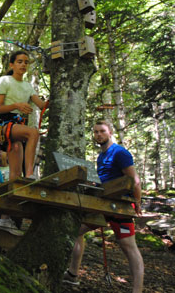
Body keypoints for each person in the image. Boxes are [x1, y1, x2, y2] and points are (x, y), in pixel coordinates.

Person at [64, 120, 144, 292]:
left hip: (121, 207)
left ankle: (137, 290)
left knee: (128, 247)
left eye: (102, 131)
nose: (98, 134)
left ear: (110, 132)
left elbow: (134, 181)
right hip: (103, 205)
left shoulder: (120, 153)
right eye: (95, 132)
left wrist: (137, 202)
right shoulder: (101, 156)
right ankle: (72, 274)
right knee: (76, 229)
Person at [0, 50, 47, 180]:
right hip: (4, 124)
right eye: (19, 62)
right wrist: (17, 105)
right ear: (12, 65)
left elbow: (42, 105)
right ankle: (30, 174)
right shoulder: (5, 80)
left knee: (15, 173)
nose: (23, 65)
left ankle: (13, 196)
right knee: (33, 133)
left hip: (18, 126)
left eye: (26, 62)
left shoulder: (28, 86)